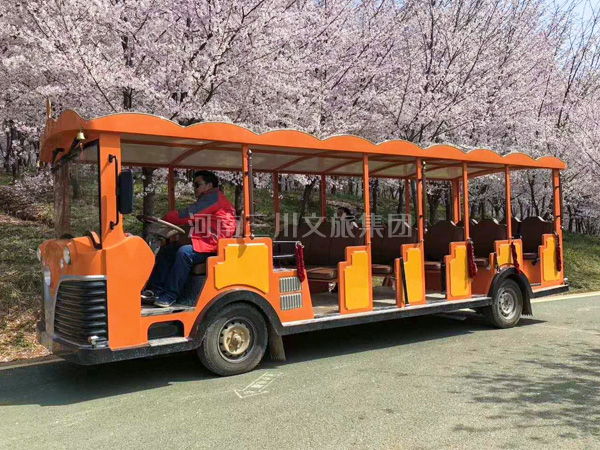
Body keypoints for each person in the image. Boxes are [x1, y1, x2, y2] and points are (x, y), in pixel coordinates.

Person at [144, 170, 236, 307]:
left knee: (184, 253)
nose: (194, 188)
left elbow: (189, 215)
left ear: (209, 185)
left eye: (197, 184)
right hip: (205, 242)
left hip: (214, 245)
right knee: (168, 250)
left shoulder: (214, 198)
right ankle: (156, 291)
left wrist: (167, 217)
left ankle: (170, 295)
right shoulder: (209, 199)